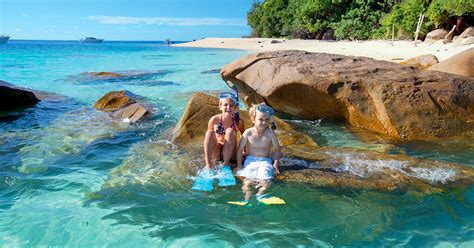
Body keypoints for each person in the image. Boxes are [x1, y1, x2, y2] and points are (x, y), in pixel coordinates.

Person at [192, 91, 245, 191]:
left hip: (229, 152)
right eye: (225, 105)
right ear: (220, 106)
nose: (228, 107)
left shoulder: (239, 121)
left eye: (231, 105)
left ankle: (225, 165)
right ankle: (208, 165)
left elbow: (243, 135)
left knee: (230, 131)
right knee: (209, 133)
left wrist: (243, 151)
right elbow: (209, 139)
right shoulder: (214, 119)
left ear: (235, 108)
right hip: (216, 152)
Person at [234, 103, 283, 204]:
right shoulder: (248, 133)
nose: (264, 122)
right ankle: (246, 199)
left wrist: (275, 165)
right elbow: (239, 150)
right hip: (250, 160)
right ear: (253, 119)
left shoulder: (270, 134)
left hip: (265, 161)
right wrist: (239, 165)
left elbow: (278, 150)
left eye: (266, 120)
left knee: (264, 180)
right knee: (247, 181)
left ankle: (260, 196)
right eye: (260, 119)